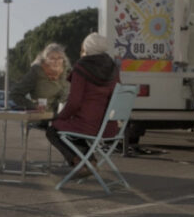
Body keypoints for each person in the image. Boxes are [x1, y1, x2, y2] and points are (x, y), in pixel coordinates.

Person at [46, 33, 119, 176]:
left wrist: (61, 116)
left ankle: (79, 163)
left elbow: (74, 102)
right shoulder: (113, 68)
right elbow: (115, 96)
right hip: (108, 127)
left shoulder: (82, 67)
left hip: (87, 124)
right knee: (74, 132)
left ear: (88, 48)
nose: (82, 51)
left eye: (83, 48)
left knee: (53, 129)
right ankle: (90, 162)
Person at [9, 43, 70, 112]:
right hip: (39, 119)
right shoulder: (36, 72)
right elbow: (15, 94)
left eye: (59, 58)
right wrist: (34, 106)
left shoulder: (66, 73)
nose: (56, 61)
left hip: (60, 119)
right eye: (52, 58)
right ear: (45, 59)